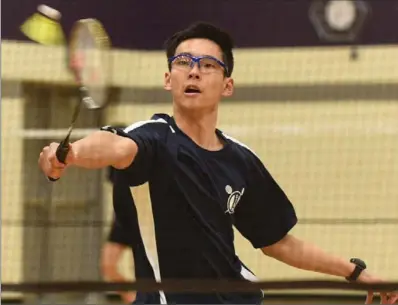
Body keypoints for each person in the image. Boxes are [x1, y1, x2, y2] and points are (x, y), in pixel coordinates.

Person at [39, 22, 397, 304]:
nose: (193, 71)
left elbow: (279, 242)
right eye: (183, 62)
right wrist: (69, 155)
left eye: (208, 65)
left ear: (227, 85)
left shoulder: (241, 160)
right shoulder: (154, 139)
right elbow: (115, 146)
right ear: (168, 79)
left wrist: (356, 272)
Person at [101, 167, 136, 304]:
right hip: (122, 220)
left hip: (144, 218)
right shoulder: (112, 163)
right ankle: (134, 300)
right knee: (108, 266)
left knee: (145, 273)